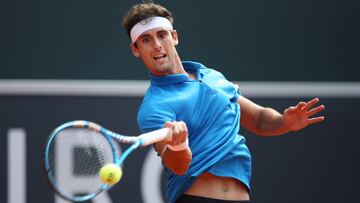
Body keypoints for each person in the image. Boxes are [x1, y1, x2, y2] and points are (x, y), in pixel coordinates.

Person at [121, 2, 325, 203]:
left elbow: (259, 119)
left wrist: (285, 122)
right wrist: (178, 145)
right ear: (135, 49)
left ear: (174, 37)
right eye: (146, 39)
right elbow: (178, 166)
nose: (157, 45)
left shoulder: (212, 76)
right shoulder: (154, 107)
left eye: (162, 35)